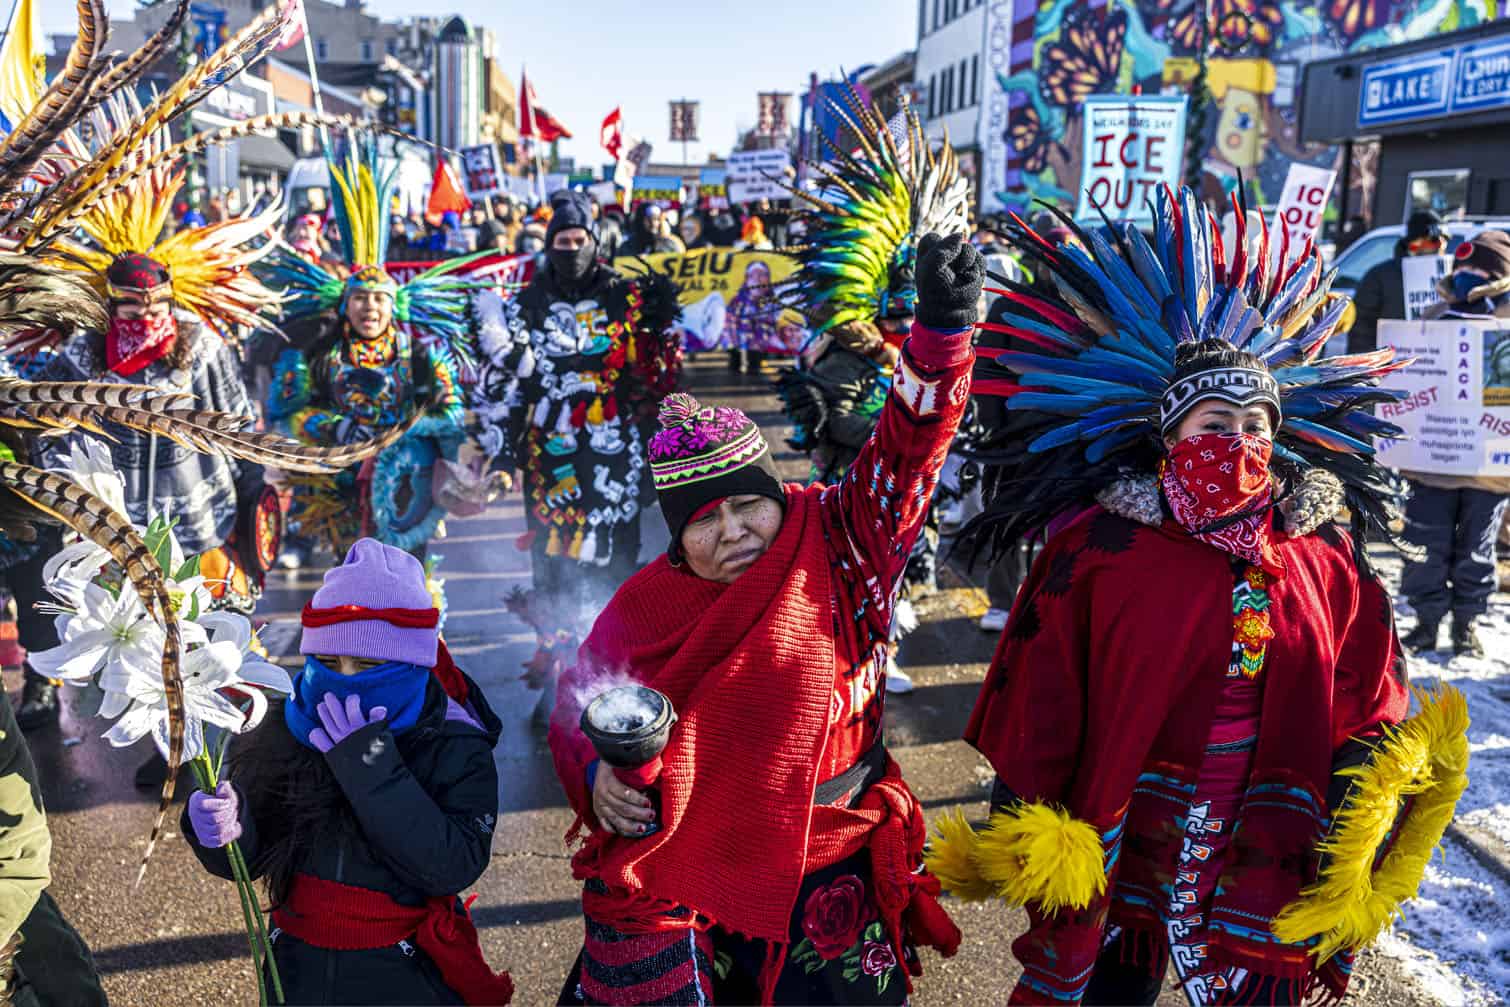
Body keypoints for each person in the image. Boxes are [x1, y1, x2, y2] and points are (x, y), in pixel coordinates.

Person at [932, 191, 1467, 1006]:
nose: (1242, 439)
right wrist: (1026, 802)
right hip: (1135, 815)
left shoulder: (1320, 549)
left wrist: (1364, 779)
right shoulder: (1105, 550)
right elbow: (1042, 682)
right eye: (1216, 420)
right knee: (1115, 984)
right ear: (1170, 436)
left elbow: (1368, 680)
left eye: (1259, 421)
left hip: (1265, 820)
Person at [548, 232, 982, 1007]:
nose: (735, 531)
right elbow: (580, 699)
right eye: (704, 519)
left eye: (749, 502)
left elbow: (909, 450)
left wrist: (940, 341)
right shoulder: (645, 603)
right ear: (675, 535)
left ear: (778, 493)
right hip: (694, 856)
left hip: (831, 850)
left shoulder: (847, 538)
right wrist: (595, 773)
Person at [183, 538, 513, 1005]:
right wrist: (225, 831)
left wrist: (372, 770)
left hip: (403, 974)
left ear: (411, 664)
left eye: (368, 664)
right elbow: (252, 858)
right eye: (329, 663)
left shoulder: (452, 741)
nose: (346, 680)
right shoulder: (293, 720)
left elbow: (453, 866)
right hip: (297, 969)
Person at [23, 169, 287, 732]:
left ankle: (222, 748)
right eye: (131, 309)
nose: (144, 317)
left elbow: (238, 426)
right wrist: (66, 494)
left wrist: (252, 498)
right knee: (142, 651)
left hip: (200, 524)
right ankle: (169, 745)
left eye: (154, 305)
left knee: (213, 637)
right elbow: (48, 427)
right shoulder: (79, 359)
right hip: (122, 533)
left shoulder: (202, 349)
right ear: (109, 308)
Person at [775, 93, 970, 683]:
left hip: (908, 488)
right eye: (902, 313)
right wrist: (899, 428)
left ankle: (878, 656)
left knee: (903, 571)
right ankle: (846, 662)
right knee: (851, 576)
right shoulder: (847, 349)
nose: (910, 324)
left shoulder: (925, 355)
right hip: (853, 485)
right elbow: (837, 419)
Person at [469, 189, 681, 726]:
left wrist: (664, 444)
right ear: (548, 246)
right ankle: (563, 678)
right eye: (560, 241)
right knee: (554, 572)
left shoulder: (626, 298)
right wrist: (503, 459)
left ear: (595, 240)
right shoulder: (524, 304)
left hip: (616, 460)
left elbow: (655, 378)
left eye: (579, 239)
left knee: (616, 566)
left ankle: (614, 679)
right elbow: (510, 393)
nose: (570, 249)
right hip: (551, 462)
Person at [263, 136, 472, 563]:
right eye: (360, 299)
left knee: (412, 590)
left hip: (407, 490)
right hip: (339, 494)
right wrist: (337, 429)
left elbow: (451, 416)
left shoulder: (418, 357)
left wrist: (405, 431)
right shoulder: (318, 357)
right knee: (351, 591)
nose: (370, 308)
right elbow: (284, 417)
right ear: (345, 305)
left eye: (379, 299)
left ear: (393, 306)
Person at [1399, 228, 1510, 657]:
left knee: (1476, 549)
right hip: (1434, 458)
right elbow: (1408, 379)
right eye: (1462, 267)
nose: (1467, 275)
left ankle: (1467, 624)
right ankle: (1426, 622)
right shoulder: (1433, 315)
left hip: (1488, 465)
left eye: (1478, 269)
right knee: (1425, 542)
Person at [1348, 210, 1447, 353]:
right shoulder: (1380, 277)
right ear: (1413, 244)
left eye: (1445, 240)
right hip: (1392, 367)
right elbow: (1361, 331)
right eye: (1432, 240)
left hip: (1434, 366)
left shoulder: (1451, 277)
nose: (1441, 246)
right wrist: (1369, 368)